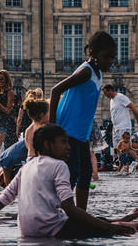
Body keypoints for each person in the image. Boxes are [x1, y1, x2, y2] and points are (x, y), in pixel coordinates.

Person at [0, 124, 138, 239]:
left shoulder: (26, 166)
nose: (68, 147)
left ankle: (122, 219)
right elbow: (69, 209)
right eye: (63, 142)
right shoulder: (59, 166)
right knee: (98, 227)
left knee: (96, 219)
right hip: (53, 229)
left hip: (28, 230)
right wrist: (110, 229)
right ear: (48, 145)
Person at [49, 31, 116, 210]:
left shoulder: (98, 73)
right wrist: (52, 126)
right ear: (93, 53)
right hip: (68, 130)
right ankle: (62, 212)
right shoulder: (86, 71)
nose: (110, 61)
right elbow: (56, 91)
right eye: (106, 57)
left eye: (112, 57)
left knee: (85, 173)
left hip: (81, 132)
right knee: (70, 174)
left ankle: (80, 212)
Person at [102, 84, 138, 157]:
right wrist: (113, 130)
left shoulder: (121, 97)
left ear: (111, 90)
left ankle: (136, 163)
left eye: (106, 93)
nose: (105, 95)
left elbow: (133, 107)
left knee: (127, 148)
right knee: (117, 149)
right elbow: (113, 116)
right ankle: (121, 165)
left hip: (124, 127)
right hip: (116, 129)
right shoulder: (111, 100)